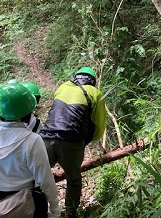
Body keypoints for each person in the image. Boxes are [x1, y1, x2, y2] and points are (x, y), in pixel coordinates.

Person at [40, 67, 107, 218]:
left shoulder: (62, 87)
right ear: (92, 80)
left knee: (37, 176)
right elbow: (99, 123)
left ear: (76, 77)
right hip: (71, 142)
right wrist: (92, 140)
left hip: (46, 138)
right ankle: (70, 212)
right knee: (74, 179)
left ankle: (35, 208)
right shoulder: (95, 93)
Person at [0, 83, 61, 217]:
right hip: (25, 202)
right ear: (27, 113)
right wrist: (55, 210)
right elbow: (45, 180)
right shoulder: (32, 140)